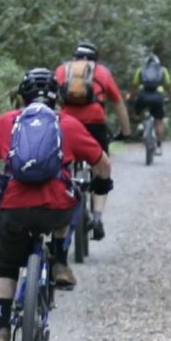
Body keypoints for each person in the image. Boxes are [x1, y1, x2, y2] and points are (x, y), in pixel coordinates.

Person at [0, 67, 111, 341]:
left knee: (8, 263)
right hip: (54, 208)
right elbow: (102, 162)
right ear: (57, 97)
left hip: (14, 208)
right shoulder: (67, 124)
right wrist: (102, 182)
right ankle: (59, 260)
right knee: (70, 201)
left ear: (22, 96)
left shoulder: (7, 122)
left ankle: (2, 327)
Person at [54, 42, 126, 239]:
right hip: (95, 123)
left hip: (66, 123)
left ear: (74, 57)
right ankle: (97, 216)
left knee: (61, 164)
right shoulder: (102, 72)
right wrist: (125, 131)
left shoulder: (62, 70)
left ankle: (62, 200)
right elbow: (118, 102)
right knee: (100, 167)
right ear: (95, 59)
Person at [132, 50, 169, 149]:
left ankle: (139, 125)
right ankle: (159, 144)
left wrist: (131, 95)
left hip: (143, 96)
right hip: (158, 96)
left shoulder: (140, 70)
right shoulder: (163, 70)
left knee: (137, 113)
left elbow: (135, 85)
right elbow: (168, 85)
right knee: (158, 121)